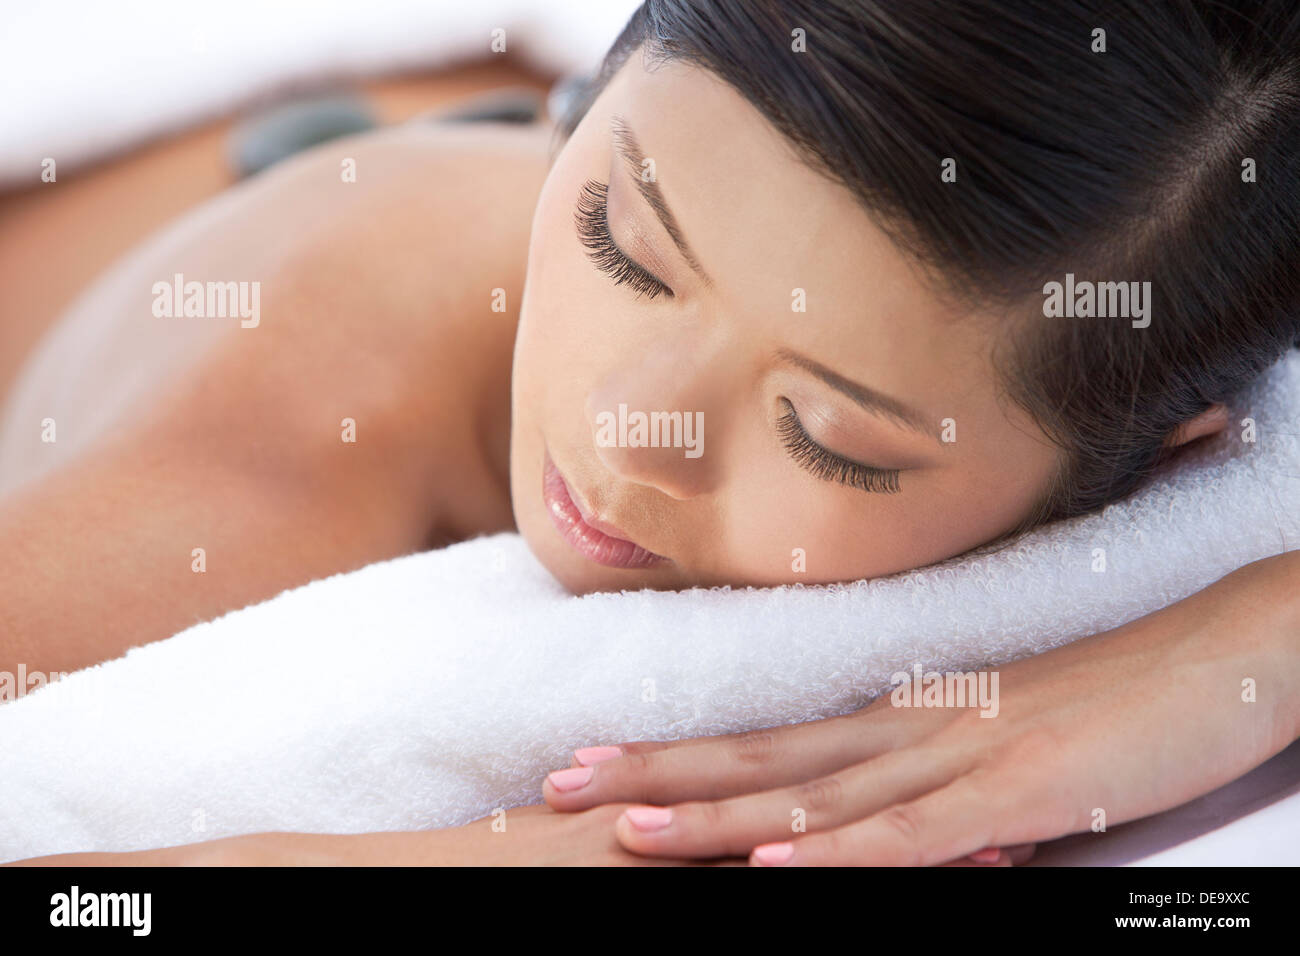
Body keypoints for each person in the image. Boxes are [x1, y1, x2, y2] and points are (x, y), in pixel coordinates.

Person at [5, 0, 1298, 865]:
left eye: (829, 434)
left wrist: (1242, 645)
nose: (628, 431)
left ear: (1172, 455)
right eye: (619, 243)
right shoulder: (282, 433)